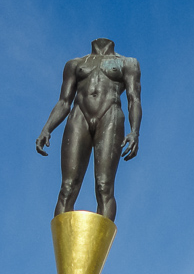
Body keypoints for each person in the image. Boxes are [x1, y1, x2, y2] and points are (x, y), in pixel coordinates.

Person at [36, 38, 142, 222]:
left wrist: (134, 132)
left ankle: (100, 247)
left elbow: (134, 99)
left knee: (104, 186)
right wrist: (47, 128)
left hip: (110, 116)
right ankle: (64, 248)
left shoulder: (128, 63)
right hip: (79, 117)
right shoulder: (74, 64)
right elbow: (64, 102)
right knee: (67, 187)